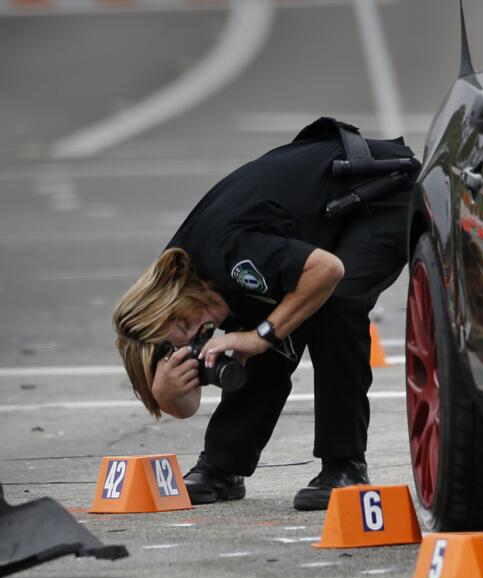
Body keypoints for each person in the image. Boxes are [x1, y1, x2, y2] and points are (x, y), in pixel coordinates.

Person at [112, 118, 415, 510]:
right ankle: (223, 467)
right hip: (325, 214)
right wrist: (171, 396)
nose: (201, 332)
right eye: (187, 340)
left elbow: (326, 271)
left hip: (381, 190)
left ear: (171, 293)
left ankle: (345, 465)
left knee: (333, 304)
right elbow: (203, 371)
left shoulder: (226, 251)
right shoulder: (187, 282)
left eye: (188, 324)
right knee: (259, 330)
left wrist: (259, 336)